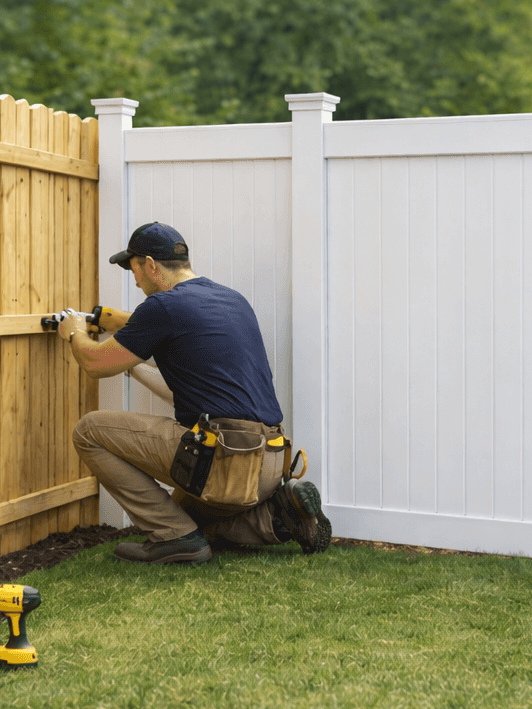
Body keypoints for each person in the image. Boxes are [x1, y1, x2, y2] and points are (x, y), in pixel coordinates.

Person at [56, 222, 330, 565]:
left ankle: (174, 538)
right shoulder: (232, 300)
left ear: (152, 266)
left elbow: (94, 362)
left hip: (226, 460)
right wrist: (134, 364)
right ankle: (278, 517)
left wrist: (74, 332)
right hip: (269, 462)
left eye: (134, 269)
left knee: (88, 431)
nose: (135, 280)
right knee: (192, 520)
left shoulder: (163, 307)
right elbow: (189, 394)